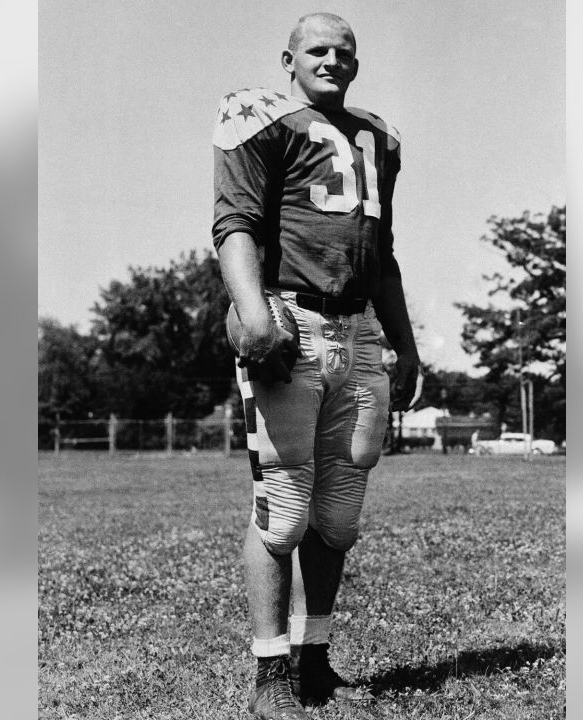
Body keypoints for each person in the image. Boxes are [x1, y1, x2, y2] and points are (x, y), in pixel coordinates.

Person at [211, 12, 420, 720]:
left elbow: (382, 253)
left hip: (360, 324)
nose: (332, 60)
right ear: (289, 59)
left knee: (339, 513)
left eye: (344, 51)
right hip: (293, 317)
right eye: (317, 50)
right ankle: (270, 668)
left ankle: (315, 656)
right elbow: (233, 227)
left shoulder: (377, 135)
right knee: (283, 509)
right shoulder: (264, 123)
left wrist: (406, 342)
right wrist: (257, 313)